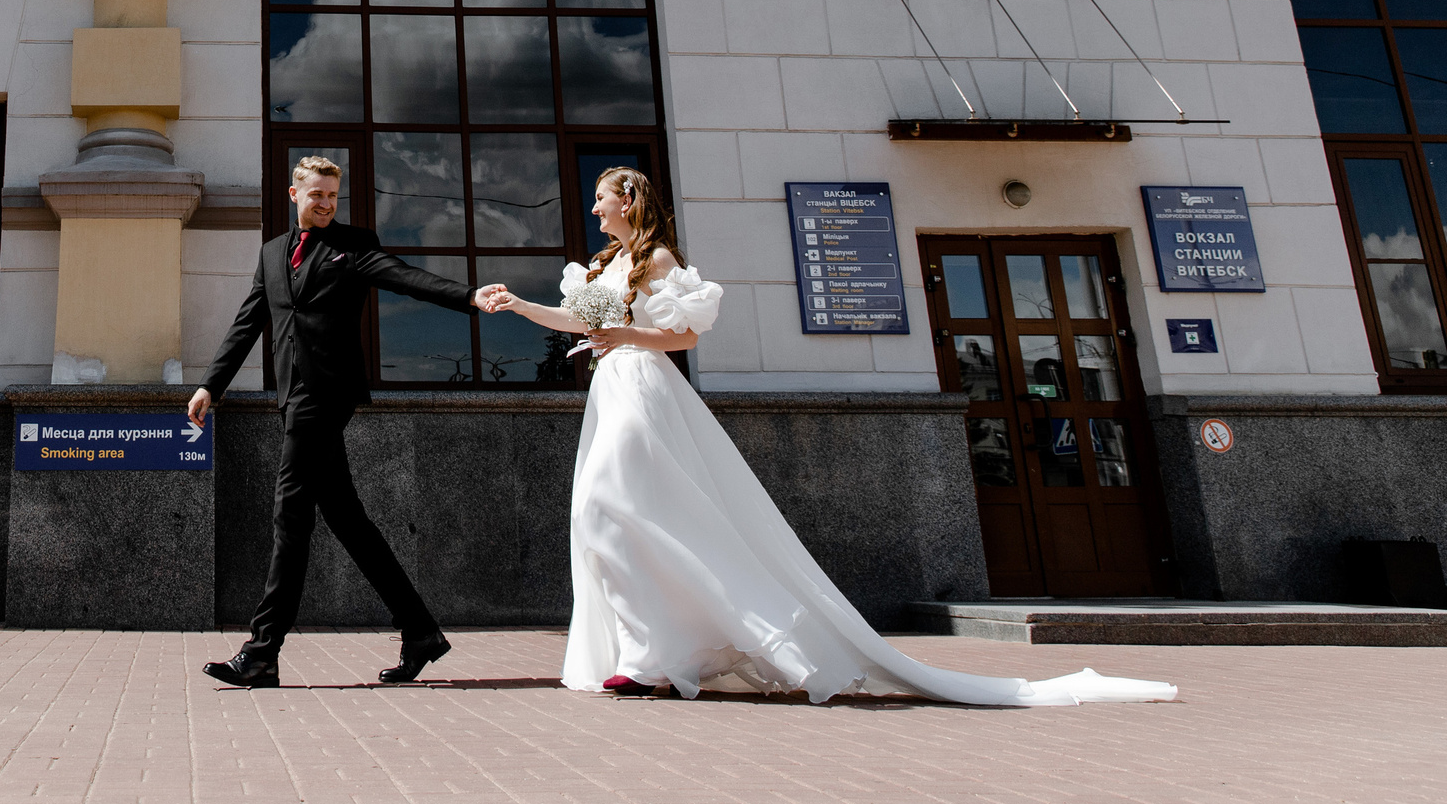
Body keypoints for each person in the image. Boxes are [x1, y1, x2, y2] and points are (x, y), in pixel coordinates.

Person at [486, 167, 1178, 707]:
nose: (595, 209)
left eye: (602, 199)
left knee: (608, 506)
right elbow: (580, 323)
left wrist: (626, 335)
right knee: (614, 516)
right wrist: (517, 304)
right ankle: (658, 652)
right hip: (610, 391)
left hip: (644, 390)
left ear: (630, 201)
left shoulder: (660, 260)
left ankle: (657, 655)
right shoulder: (606, 266)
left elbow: (686, 336)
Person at [185, 155, 507, 689]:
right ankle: (421, 632)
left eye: (333, 196)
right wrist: (210, 385)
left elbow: (405, 278)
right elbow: (249, 322)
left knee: (290, 516)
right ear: (295, 194)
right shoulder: (271, 253)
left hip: (326, 395)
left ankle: (262, 651)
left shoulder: (353, 245)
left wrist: (469, 296)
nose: (327, 204)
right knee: (348, 521)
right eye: (317, 195)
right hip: (293, 395)